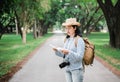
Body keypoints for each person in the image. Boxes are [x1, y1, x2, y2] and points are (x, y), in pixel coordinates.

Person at [52, 18, 85, 82]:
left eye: (69, 28)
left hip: (76, 70)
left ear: (75, 28)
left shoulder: (79, 40)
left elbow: (80, 57)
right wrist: (57, 51)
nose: (67, 31)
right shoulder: (67, 39)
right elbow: (64, 54)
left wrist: (68, 52)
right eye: (66, 28)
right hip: (67, 69)